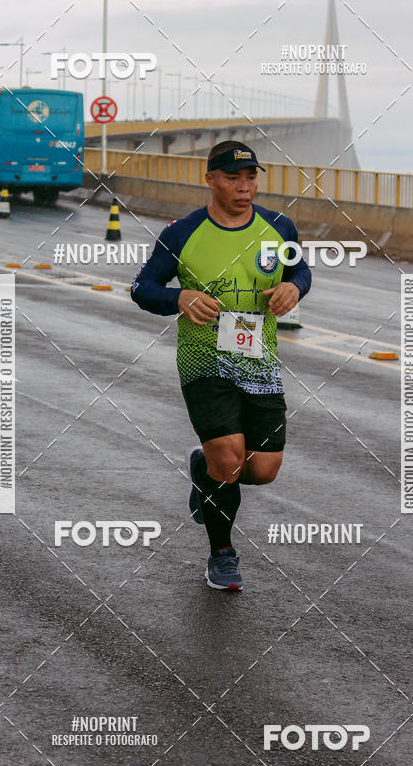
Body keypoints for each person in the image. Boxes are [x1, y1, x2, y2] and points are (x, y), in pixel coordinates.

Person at [131, 140, 311, 591]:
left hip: (260, 361)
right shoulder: (182, 233)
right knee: (229, 461)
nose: (244, 187)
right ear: (210, 179)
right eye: (233, 178)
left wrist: (295, 288)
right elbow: (142, 287)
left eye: (251, 177)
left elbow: (300, 271)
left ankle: (202, 468)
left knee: (262, 470)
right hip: (203, 360)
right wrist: (179, 297)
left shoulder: (279, 227)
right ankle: (222, 554)